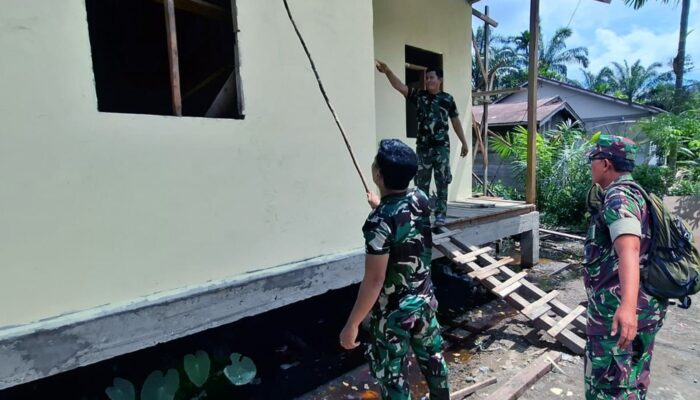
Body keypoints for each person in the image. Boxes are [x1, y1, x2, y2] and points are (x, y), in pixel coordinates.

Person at [339, 139, 449, 399]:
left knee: (393, 376)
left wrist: (352, 324)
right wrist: (382, 204)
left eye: (375, 163)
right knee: (433, 360)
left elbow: (375, 280)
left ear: (378, 174)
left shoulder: (378, 222)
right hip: (424, 302)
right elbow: (404, 219)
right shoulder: (421, 198)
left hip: (393, 315)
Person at [583, 135, 668, 399]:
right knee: (633, 381)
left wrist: (628, 308)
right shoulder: (638, 192)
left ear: (606, 163)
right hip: (646, 306)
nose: (591, 166)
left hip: (619, 313)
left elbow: (629, 248)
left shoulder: (619, 197)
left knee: (609, 388)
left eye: (593, 161)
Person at [376, 61, 469, 225]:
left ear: (439, 79)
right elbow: (400, 87)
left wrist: (464, 142)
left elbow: (456, 122)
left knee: (442, 180)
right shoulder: (419, 96)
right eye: (426, 78)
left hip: (441, 148)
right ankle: (422, 214)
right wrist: (388, 71)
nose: (428, 81)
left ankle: (440, 214)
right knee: (421, 184)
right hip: (423, 149)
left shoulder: (447, 99)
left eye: (431, 77)